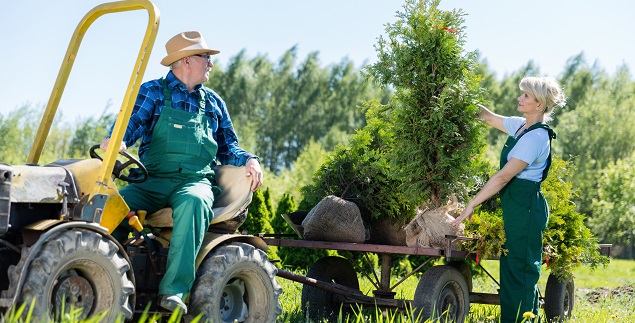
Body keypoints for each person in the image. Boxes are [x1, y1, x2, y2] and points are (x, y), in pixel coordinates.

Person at [100, 31, 263, 314]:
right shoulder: (151, 92)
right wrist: (117, 142)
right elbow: (127, 126)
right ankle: (103, 277)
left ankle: (174, 291)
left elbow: (228, 148)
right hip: (151, 180)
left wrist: (250, 160)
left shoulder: (213, 103)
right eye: (206, 57)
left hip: (194, 181)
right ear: (186, 61)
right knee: (108, 207)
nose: (210, 63)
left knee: (195, 202)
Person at [451, 76, 565, 322]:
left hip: (526, 208)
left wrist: (472, 203)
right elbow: (488, 117)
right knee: (514, 267)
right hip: (516, 206)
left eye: (526, 95)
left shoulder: (536, 137)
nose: (519, 98)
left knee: (521, 269)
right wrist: (458, 94)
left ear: (539, 105)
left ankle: (521, 320)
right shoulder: (522, 126)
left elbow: (503, 177)